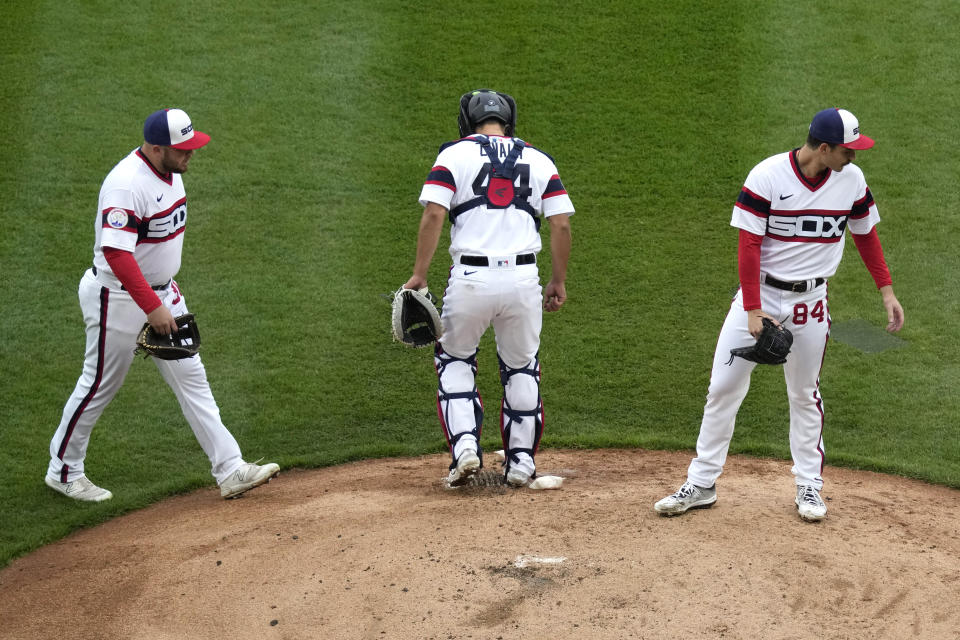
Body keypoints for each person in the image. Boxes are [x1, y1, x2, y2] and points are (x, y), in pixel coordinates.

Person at [655, 108, 905, 521]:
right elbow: (748, 246)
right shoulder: (768, 176)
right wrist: (753, 309)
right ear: (824, 149)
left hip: (811, 304)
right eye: (848, 150)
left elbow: (866, 236)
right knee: (723, 388)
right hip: (760, 298)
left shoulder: (851, 181)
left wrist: (887, 291)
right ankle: (701, 484)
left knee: (804, 394)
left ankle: (809, 486)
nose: (854, 158)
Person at [45, 108, 279, 502]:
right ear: (156, 148)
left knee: (193, 380)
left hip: (160, 293)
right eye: (182, 149)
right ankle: (64, 471)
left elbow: (159, 238)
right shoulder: (126, 185)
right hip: (117, 297)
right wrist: (153, 306)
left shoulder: (171, 173)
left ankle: (230, 468)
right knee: (100, 383)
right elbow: (117, 255)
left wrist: (165, 282)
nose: (191, 155)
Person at [404, 89, 574, 488]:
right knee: (521, 366)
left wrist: (419, 275)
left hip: (470, 281)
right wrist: (558, 280)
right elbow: (561, 224)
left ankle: (465, 448)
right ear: (509, 121)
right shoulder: (539, 159)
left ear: (468, 121)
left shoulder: (452, 156)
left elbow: (433, 213)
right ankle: (521, 466)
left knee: (456, 359)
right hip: (523, 282)